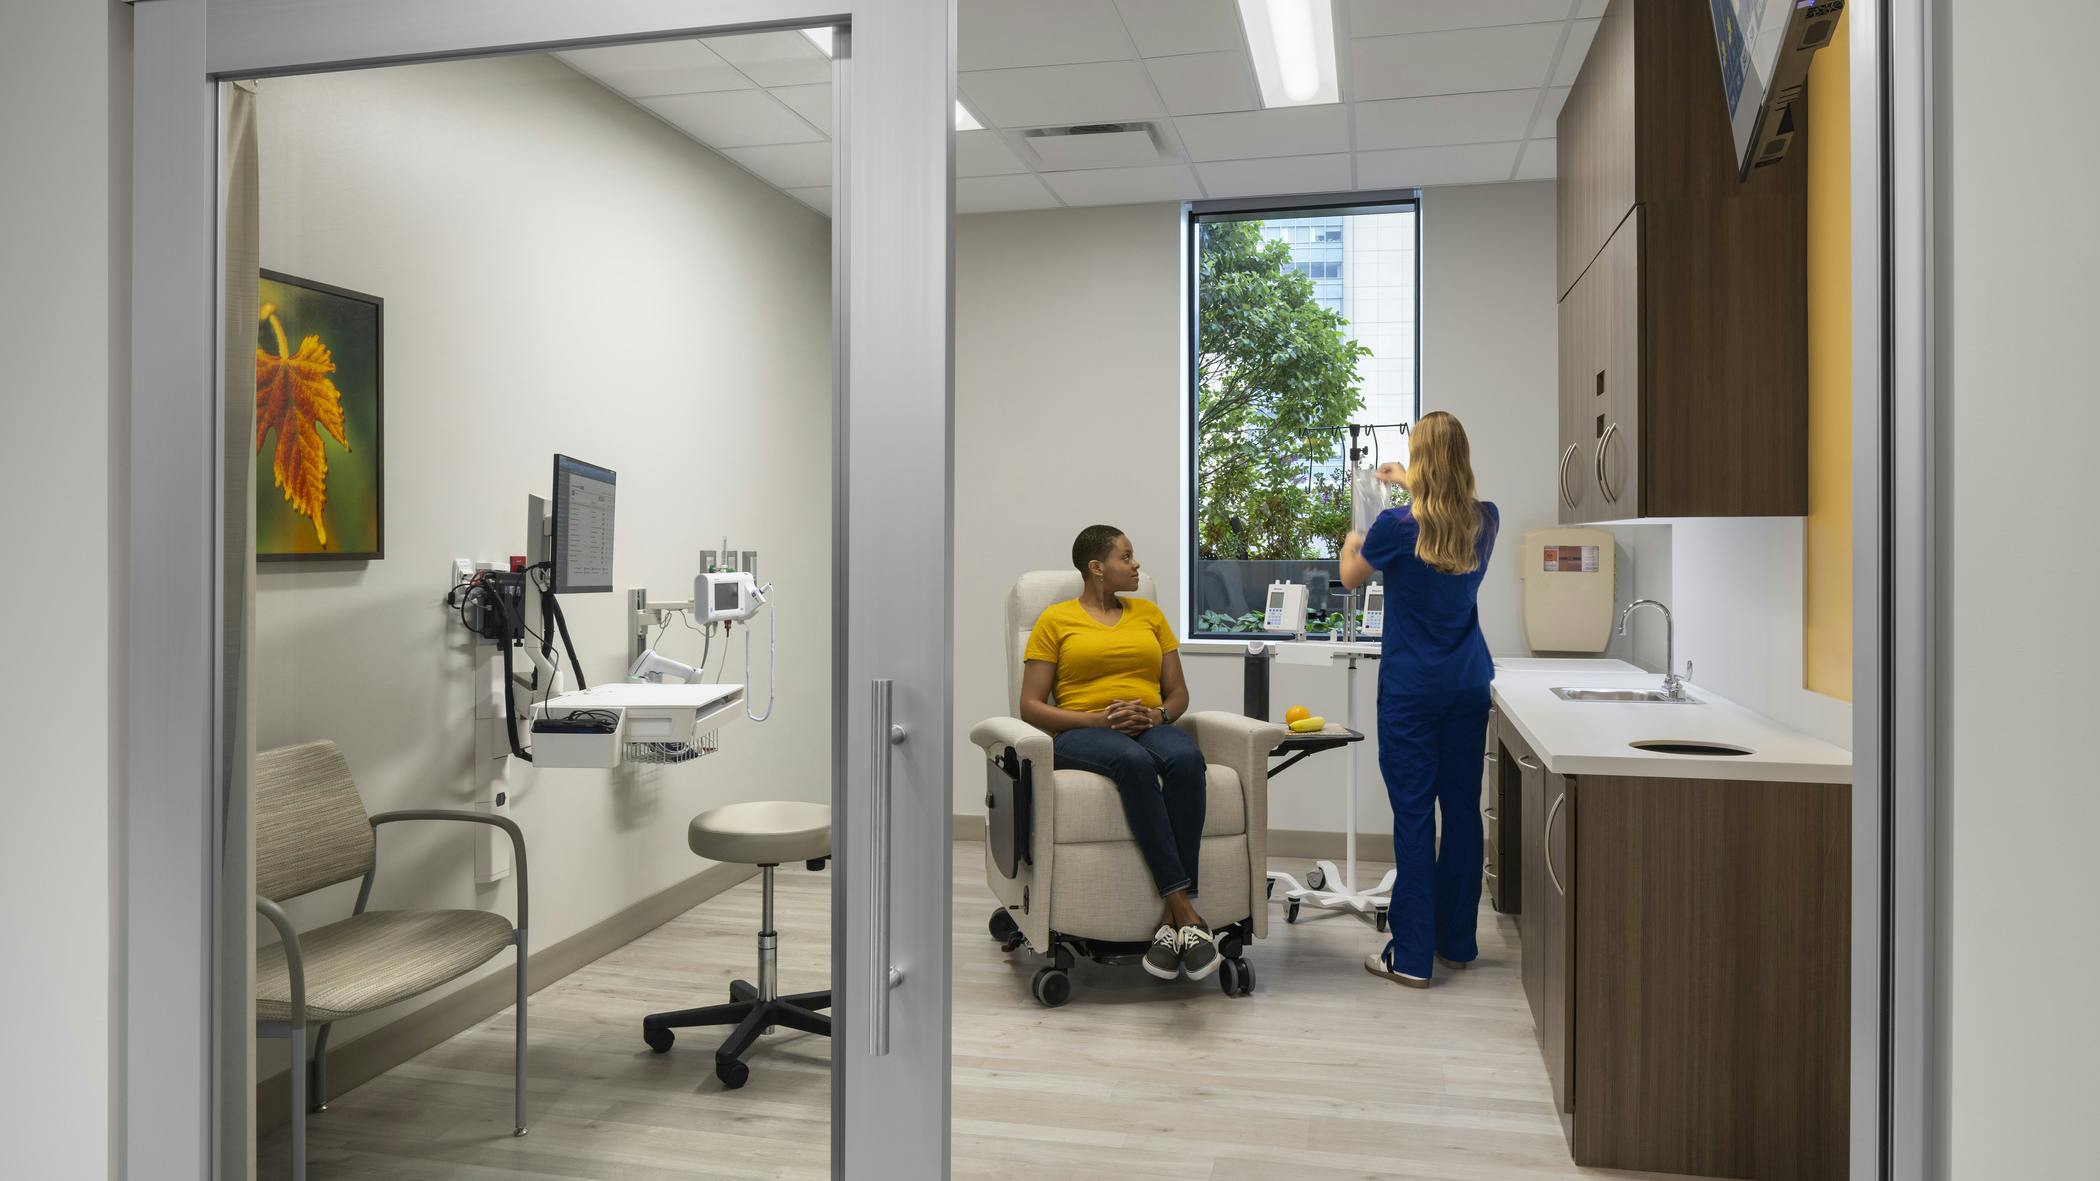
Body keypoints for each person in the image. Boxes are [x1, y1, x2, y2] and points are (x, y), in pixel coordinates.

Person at [1339, 411, 1500, 989]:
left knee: (1413, 816)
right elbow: (1445, 509)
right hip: (1466, 685)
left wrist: (1353, 535)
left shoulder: (1394, 527)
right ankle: (1456, 943)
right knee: (1460, 813)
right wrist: (1409, 478)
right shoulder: (1486, 521)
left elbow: (1352, 576)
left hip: (1411, 692)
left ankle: (1409, 955)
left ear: (1421, 459)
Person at [1018, 525, 1218, 983]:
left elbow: (1179, 692)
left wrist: (1157, 717)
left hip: (1148, 724)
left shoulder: (1149, 614)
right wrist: (1098, 720)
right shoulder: (1055, 620)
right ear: (1097, 568)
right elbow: (1029, 705)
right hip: (1082, 731)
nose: (1136, 565)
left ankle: (1172, 927)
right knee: (1134, 764)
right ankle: (1185, 911)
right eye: (1126, 557)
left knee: (1187, 759)